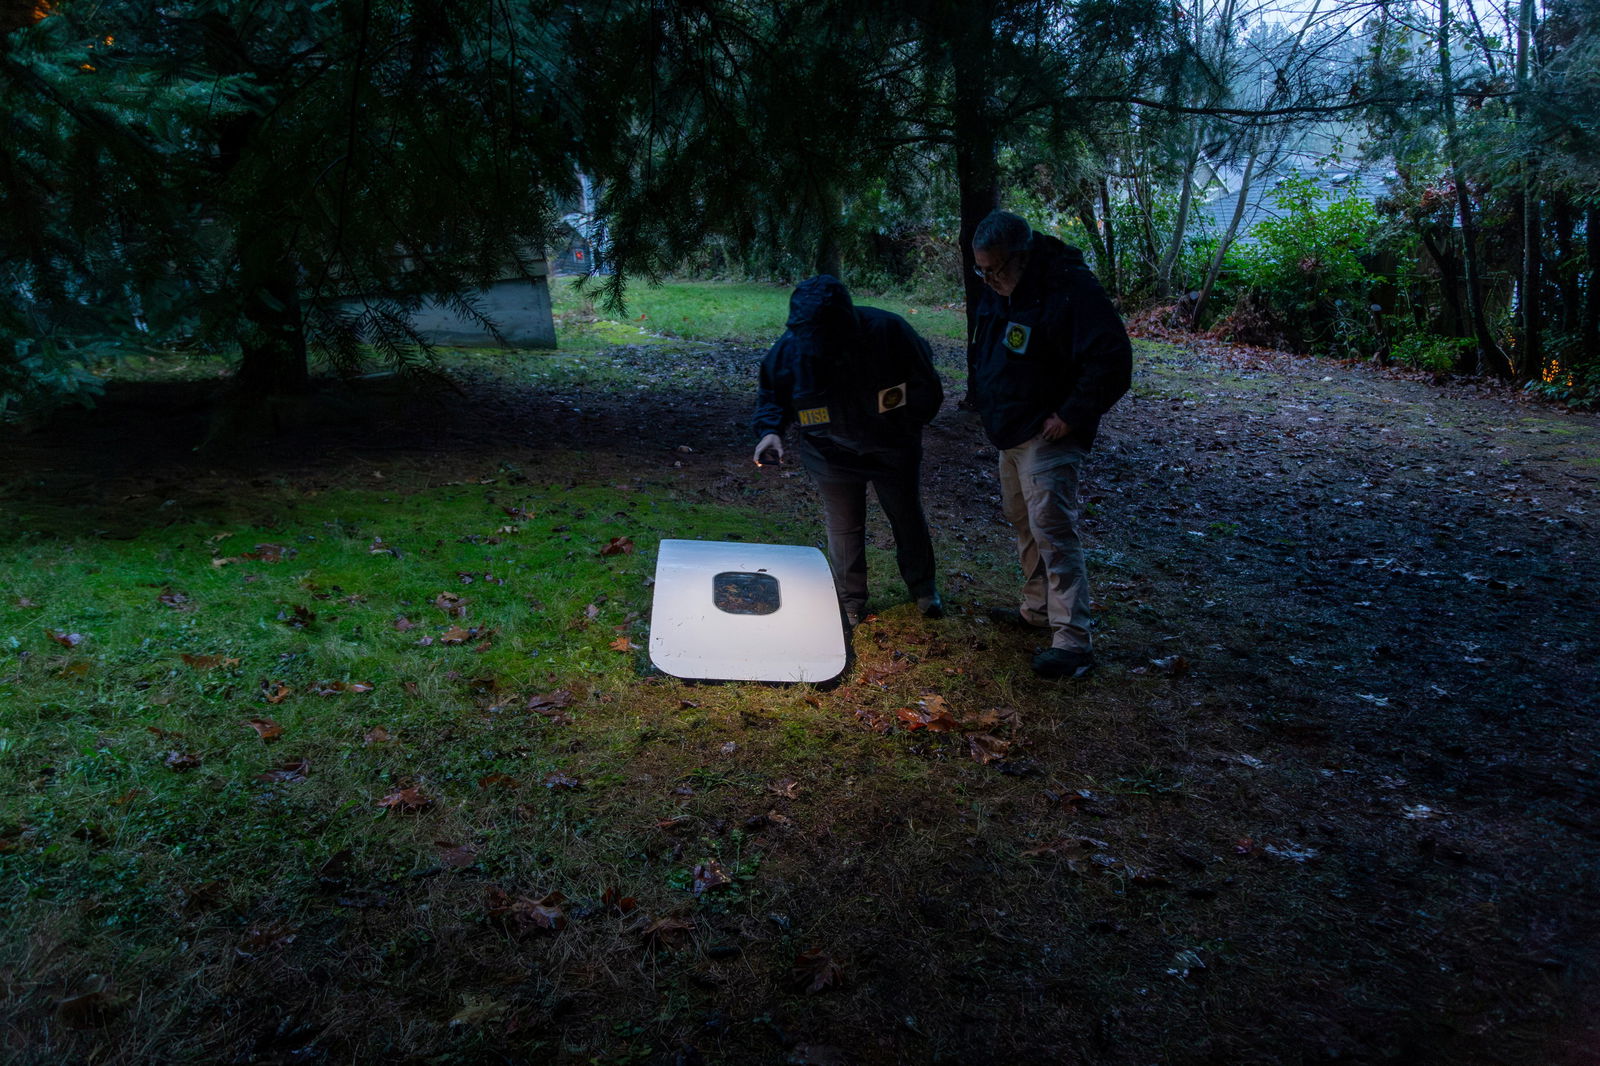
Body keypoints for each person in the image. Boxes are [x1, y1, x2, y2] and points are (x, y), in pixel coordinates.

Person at [966, 210, 1132, 679]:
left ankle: (1073, 641)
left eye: (995, 269)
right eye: (982, 270)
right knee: (1025, 523)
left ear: (1022, 257)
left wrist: (1072, 414)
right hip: (1011, 430)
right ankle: (1037, 610)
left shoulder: (1070, 289)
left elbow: (1113, 360)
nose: (989, 279)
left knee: (1053, 532)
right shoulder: (1001, 287)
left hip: (1047, 433)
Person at [753, 275, 944, 626]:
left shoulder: (889, 332)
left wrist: (899, 421)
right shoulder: (793, 347)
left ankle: (924, 589)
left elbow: (927, 390)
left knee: (905, 516)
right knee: (843, 527)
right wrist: (770, 431)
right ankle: (851, 602)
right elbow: (772, 394)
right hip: (829, 452)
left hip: (892, 448)